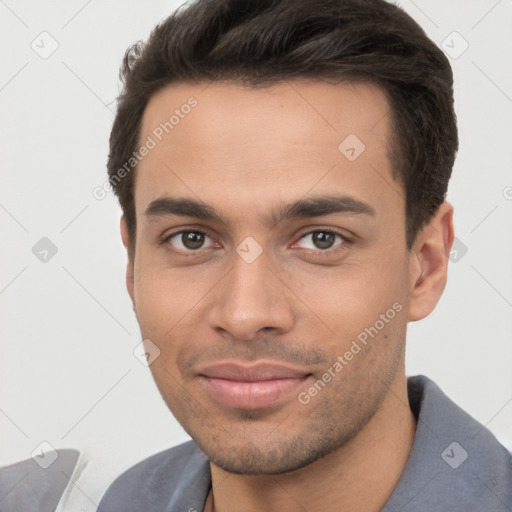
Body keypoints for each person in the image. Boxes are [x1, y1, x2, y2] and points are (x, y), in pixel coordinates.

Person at [98, 0, 512, 510]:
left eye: (321, 239)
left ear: (425, 265)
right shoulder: (126, 500)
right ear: (134, 267)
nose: (245, 315)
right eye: (192, 239)